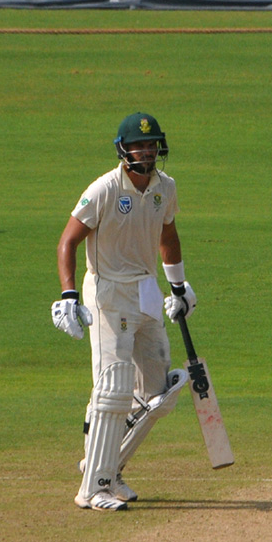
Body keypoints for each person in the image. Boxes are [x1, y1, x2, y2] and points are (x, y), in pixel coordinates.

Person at [52, 112, 193, 511]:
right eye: (139, 145)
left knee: (158, 393)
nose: (146, 151)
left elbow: (168, 236)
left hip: (146, 289)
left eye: (151, 145)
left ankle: (108, 469)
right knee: (112, 388)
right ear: (124, 149)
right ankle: (92, 488)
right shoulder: (104, 189)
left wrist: (179, 287)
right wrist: (67, 294)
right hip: (108, 292)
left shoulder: (165, 187)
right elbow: (68, 241)